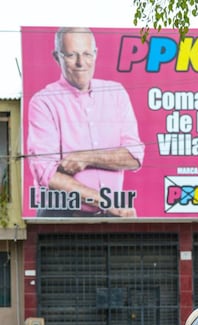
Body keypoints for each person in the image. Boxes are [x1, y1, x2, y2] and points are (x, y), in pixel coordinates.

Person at [27, 27, 145, 217]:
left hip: (112, 217)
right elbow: (45, 172)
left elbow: (135, 156)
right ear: (57, 57)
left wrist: (86, 157)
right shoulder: (43, 102)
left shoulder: (116, 93)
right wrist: (105, 202)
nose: (81, 63)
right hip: (62, 217)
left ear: (96, 54)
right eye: (72, 55)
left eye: (87, 54)